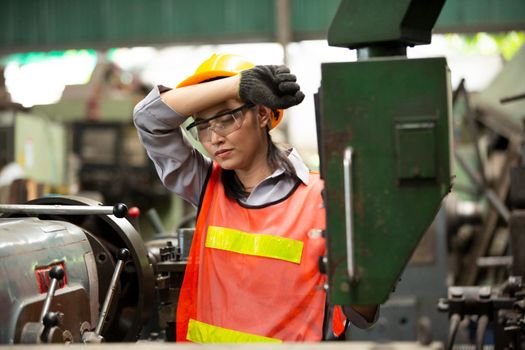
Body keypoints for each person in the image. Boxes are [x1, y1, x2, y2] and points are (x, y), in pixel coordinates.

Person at [133, 53, 378, 343]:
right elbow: (148, 118)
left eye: (226, 119)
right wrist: (238, 86)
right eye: (202, 125)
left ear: (262, 115)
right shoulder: (207, 186)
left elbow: (362, 313)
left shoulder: (322, 198)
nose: (213, 139)